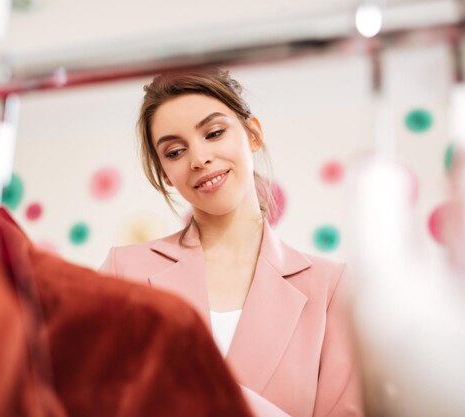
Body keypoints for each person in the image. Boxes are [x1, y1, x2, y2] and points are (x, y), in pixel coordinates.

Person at [100, 68, 363, 417]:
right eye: (175, 152)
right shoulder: (124, 272)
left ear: (252, 133)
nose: (199, 159)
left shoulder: (330, 287)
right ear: (165, 172)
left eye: (214, 132)